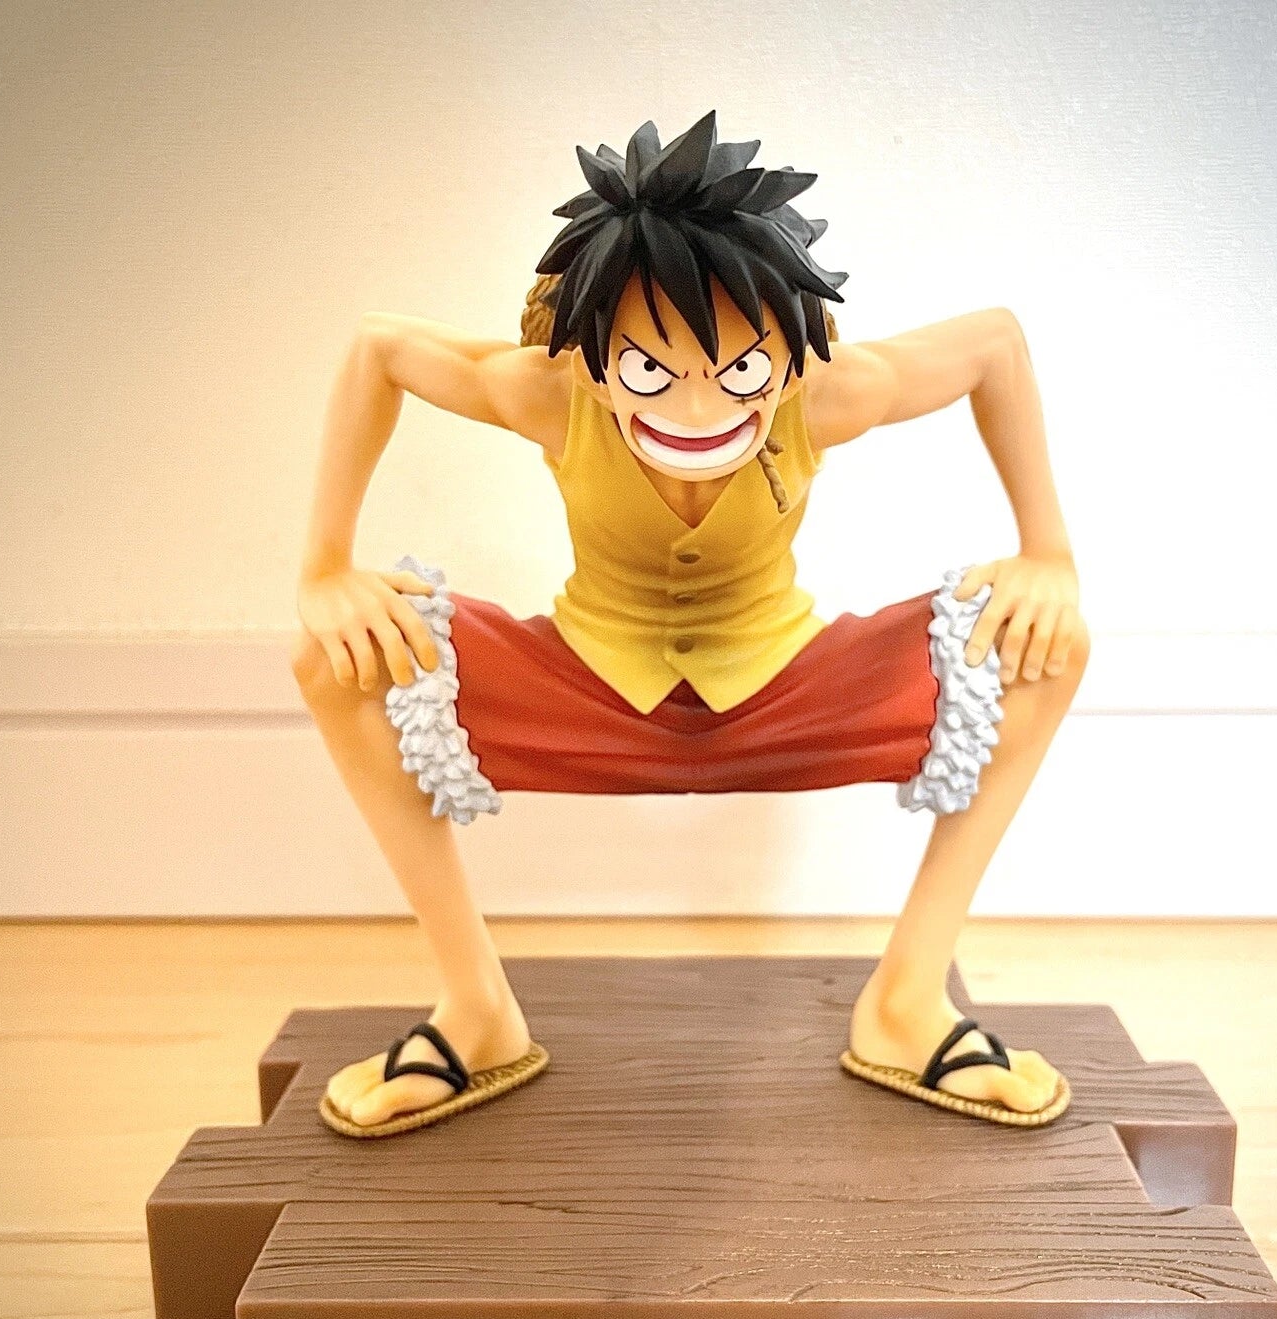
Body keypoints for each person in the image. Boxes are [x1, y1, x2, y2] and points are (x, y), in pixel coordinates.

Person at [293, 111, 1090, 1139]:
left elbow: (993, 344)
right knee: (339, 660)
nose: (701, 406)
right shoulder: (550, 393)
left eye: (741, 371)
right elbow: (381, 348)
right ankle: (474, 1009)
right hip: (586, 691)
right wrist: (324, 567)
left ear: (791, 351)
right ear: (591, 358)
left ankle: (908, 1000)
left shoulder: (829, 393)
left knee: (1040, 649)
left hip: (786, 690)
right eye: (651, 371)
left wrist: (1047, 551)